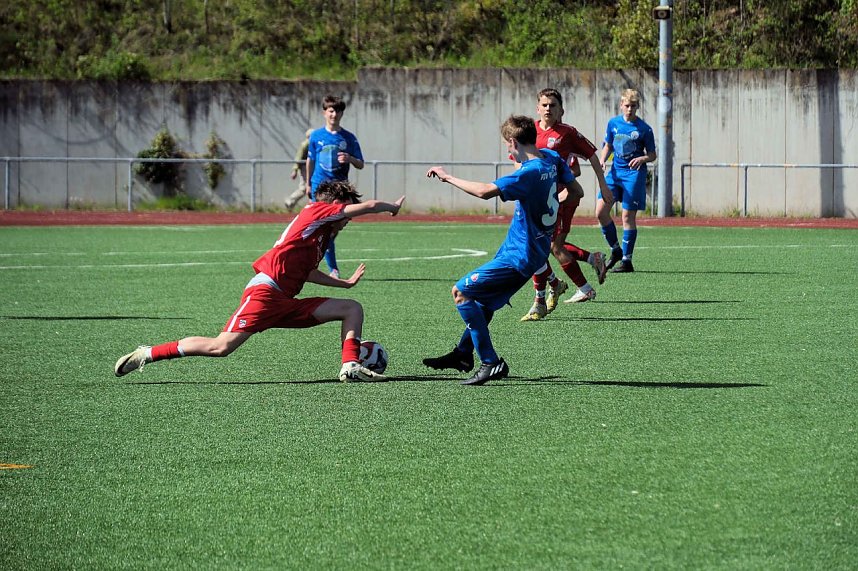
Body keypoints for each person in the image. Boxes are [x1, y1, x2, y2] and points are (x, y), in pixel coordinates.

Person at [114, 180, 404, 383]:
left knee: (351, 308)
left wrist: (346, 283)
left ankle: (350, 365)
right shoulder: (315, 212)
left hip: (285, 302)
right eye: (345, 212)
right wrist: (390, 207)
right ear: (336, 205)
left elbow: (307, 273)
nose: (347, 219)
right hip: (265, 294)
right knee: (220, 347)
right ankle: (147, 354)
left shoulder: (320, 236)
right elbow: (367, 206)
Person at [422, 115, 574, 386]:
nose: (507, 151)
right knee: (483, 302)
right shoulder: (551, 157)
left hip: (520, 256)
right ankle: (462, 354)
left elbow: (484, 192)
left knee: (461, 292)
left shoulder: (527, 173)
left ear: (514, 142)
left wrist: (446, 177)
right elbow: (576, 192)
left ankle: (491, 362)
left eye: (508, 145)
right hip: (527, 250)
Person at [520, 88, 614, 321]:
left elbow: (591, 155)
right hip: (540, 199)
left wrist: (603, 187)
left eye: (553, 105)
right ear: (537, 108)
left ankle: (580, 288)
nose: (548, 109)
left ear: (561, 109)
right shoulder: (530, 132)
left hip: (563, 197)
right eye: (544, 105)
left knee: (552, 247)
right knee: (546, 245)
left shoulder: (567, 133)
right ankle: (590, 261)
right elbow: (520, 162)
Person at [596, 88, 657, 273]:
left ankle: (627, 260)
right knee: (600, 212)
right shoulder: (613, 123)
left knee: (626, 216)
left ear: (638, 107)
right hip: (615, 173)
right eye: (627, 105)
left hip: (633, 175)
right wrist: (602, 160)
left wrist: (642, 158)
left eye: (633, 106)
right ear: (621, 105)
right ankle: (616, 249)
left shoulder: (644, 129)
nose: (629, 109)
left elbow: (653, 155)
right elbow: (608, 145)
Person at [306, 95, 364, 279]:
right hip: (320, 189)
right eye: (331, 110)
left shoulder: (348, 138)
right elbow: (310, 160)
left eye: (338, 111)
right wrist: (307, 183)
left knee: (332, 229)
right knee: (321, 228)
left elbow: (361, 164)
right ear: (325, 113)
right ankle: (332, 269)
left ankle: (324, 265)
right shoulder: (316, 136)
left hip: (339, 190)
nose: (334, 114)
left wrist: (350, 159)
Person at [284, 128, 313, 211]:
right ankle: (290, 201)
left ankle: (313, 205)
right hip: (305, 168)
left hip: (313, 167)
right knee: (304, 187)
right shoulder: (305, 144)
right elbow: (298, 157)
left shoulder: (315, 144)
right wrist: (295, 170)